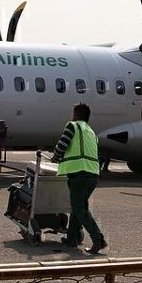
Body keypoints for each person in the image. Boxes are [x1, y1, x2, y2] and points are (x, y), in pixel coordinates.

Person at [53, 103, 107, 254]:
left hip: (78, 173)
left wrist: (55, 157)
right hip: (93, 174)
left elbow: (62, 145)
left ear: (75, 115)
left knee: (80, 209)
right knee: (77, 207)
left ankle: (98, 240)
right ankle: (72, 239)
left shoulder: (72, 126)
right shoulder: (91, 132)